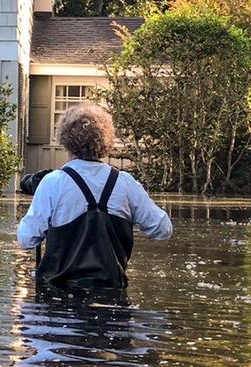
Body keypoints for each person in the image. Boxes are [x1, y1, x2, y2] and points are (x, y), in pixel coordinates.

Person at [17, 103, 172, 289]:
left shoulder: (52, 183)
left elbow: (26, 239)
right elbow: (163, 229)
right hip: (112, 295)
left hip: (59, 297)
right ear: (105, 141)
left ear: (65, 140)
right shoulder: (125, 183)